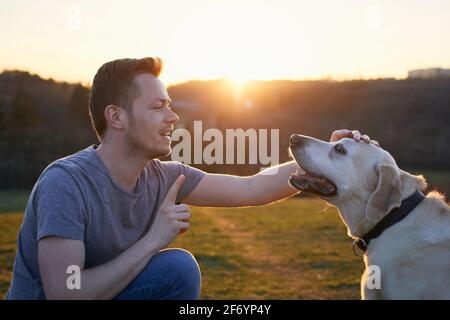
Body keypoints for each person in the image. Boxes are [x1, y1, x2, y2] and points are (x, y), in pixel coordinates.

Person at [6, 57, 377, 300]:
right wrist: (153, 240)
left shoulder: (166, 176)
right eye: (157, 107)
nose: (172, 118)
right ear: (116, 118)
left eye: (170, 104)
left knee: (178, 268)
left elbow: (252, 187)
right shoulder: (66, 183)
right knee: (172, 263)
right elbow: (66, 293)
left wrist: (326, 158)